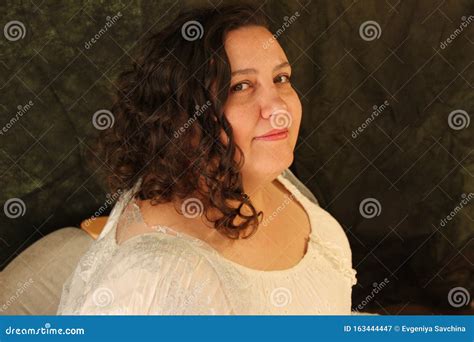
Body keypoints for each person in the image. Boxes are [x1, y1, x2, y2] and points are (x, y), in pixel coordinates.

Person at [57, 3, 359, 315]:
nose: (279, 110)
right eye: (240, 86)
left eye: (281, 78)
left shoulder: (257, 172)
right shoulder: (157, 279)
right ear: (182, 116)